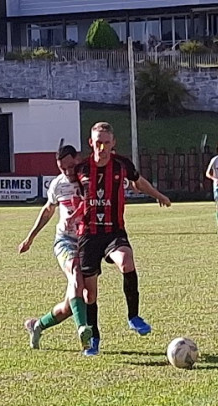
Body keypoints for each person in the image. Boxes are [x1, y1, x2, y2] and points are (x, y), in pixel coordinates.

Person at [77, 121, 172, 356]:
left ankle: (133, 316)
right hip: (88, 236)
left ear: (113, 143)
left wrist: (158, 195)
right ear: (91, 143)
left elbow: (139, 182)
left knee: (126, 261)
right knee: (90, 293)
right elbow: (65, 191)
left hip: (114, 232)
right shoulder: (81, 169)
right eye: (98, 143)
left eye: (106, 143)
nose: (102, 147)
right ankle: (94, 338)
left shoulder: (122, 165)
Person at [19, 144, 92, 352]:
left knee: (70, 306)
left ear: (78, 159)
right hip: (65, 242)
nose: (68, 172)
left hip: (87, 243)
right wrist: (30, 238)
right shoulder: (57, 185)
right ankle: (82, 330)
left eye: (71, 167)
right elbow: (48, 211)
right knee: (76, 273)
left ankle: (37, 325)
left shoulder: (89, 180)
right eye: (63, 168)